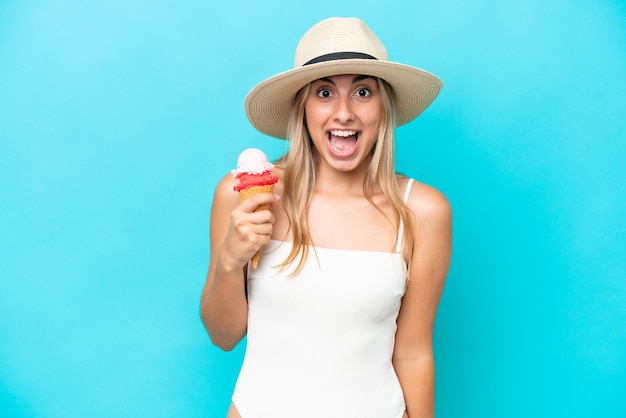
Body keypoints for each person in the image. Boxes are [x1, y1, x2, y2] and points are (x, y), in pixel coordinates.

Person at [200, 17, 451, 418]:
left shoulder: (422, 211)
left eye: (363, 92)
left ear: (382, 107)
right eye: (324, 92)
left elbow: (414, 352)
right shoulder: (244, 197)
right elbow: (223, 335)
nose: (344, 112)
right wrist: (231, 260)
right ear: (302, 107)